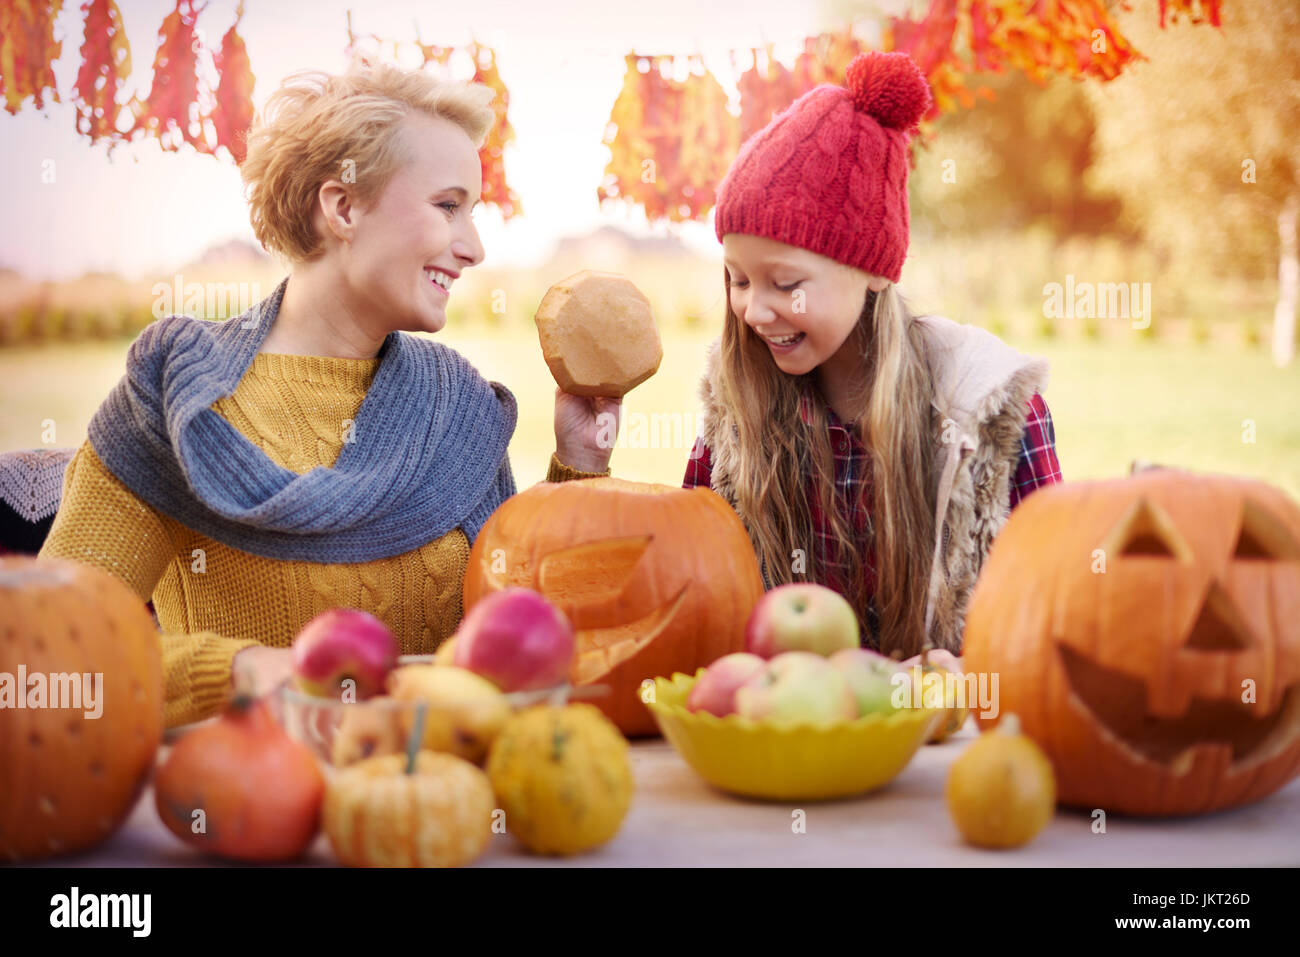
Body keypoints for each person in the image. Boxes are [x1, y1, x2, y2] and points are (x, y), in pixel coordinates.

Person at [38, 57, 620, 727]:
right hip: (248, 808)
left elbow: (522, 634)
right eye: (448, 206)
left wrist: (579, 466)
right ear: (342, 206)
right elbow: (51, 655)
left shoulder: (455, 405)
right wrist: (237, 671)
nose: (475, 246)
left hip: (440, 805)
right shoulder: (176, 403)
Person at [679, 51, 1062, 658]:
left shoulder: (987, 412)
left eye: (785, 283)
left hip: (945, 744)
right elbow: (689, 585)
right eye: (739, 279)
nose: (752, 311)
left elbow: (1053, 607)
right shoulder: (737, 417)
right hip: (787, 734)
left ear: (874, 273)